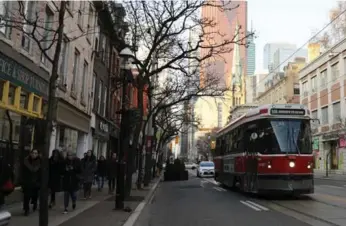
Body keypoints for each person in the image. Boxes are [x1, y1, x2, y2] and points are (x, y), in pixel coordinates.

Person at [22, 149, 41, 216]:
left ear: (38, 154)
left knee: (35, 195)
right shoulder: (26, 161)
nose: (34, 154)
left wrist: (39, 181)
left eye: (36, 153)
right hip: (27, 182)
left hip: (36, 182)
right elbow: (22, 172)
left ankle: (35, 204)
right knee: (26, 196)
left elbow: (40, 173)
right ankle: (26, 209)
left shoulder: (39, 162)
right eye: (33, 153)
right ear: (30, 153)